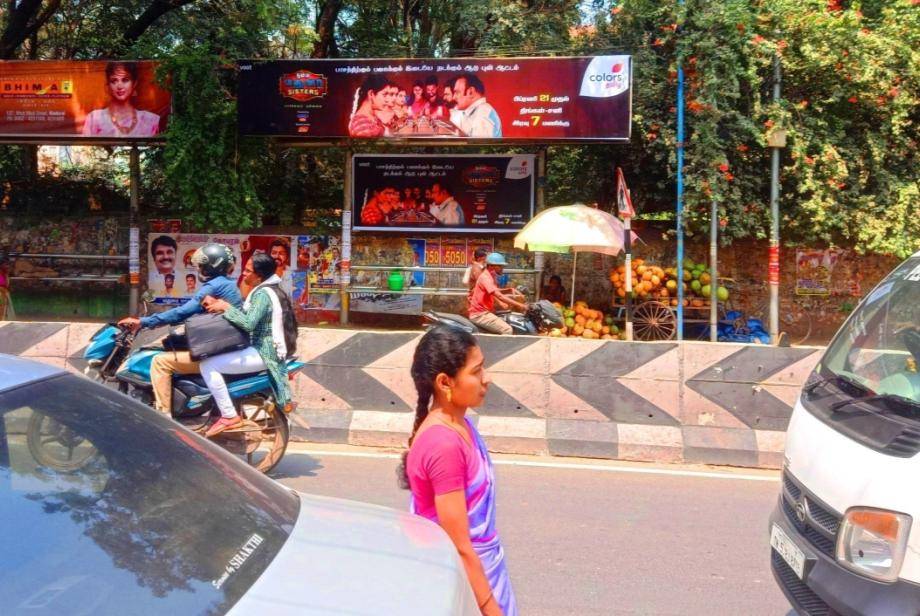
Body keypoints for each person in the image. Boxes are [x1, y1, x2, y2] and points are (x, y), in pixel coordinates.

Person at [399, 326, 517, 616]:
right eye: (476, 372)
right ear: (445, 382)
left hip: (481, 575)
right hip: (465, 588)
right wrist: (491, 609)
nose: (485, 380)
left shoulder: (460, 425)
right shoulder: (444, 444)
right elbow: (460, 546)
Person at [118, 243, 242, 414]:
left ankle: (163, 416)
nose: (199, 269)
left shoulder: (214, 286)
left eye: (202, 265)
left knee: (159, 362)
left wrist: (143, 322)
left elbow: (182, 312)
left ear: (211, 266)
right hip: (223, 343)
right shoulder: (226, 284)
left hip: (216, 348)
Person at [200, 252, 293, 437]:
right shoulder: (267, 289)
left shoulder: (263, 294)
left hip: (264, 352)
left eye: (248, 271)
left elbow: (249, 323)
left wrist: (225, 308)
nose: (243, 273)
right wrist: (220, 304)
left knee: (207, 365)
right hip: (261, 349)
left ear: (259, 275)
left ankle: (228, 415)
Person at [82, 61, 161, 137]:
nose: (119, 86)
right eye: (114, 81)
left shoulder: (150, 120)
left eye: (125, 80)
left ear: (134, 83)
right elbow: (85, 149)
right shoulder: (94, 118)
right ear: (108, 85)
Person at [468, 252, 527, 335]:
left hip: (485, 312)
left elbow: (495, 290)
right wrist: (521, 305)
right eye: (500, 266)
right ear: (491, 266)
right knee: (507, 330)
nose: (502, 269)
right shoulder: (485, 278)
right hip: (480, 314)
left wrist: (509, 290)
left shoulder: (488, 276)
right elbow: (499, 295)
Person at [452, 73, 502, 138]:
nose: (454, 97)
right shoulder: (468, 112)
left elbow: (477, 147)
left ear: (471, 92)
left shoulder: (483, 117)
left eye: (457, 92)